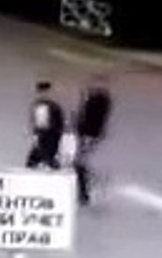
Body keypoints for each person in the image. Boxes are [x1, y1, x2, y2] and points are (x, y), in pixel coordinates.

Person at [72, 74, 114, 206]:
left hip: (89, 134)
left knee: (79, 163)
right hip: (89, 134)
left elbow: (88, 119)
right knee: (79, 163)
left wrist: (81, 131)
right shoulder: (100, 100)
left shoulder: (97, 102)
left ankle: (85, 192)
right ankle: (84, 190)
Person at [26, 80, 65, 170]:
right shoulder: (36, 106)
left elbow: (59, 123)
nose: (43, 94)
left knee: (48, 156)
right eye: (41, 92)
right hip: (41, 135)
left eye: (45, 92)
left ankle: (52, 167)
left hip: (50, 135)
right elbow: (34, 122)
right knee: (35, 159)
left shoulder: (54, 107)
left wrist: (57, 135)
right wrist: (33, 134)